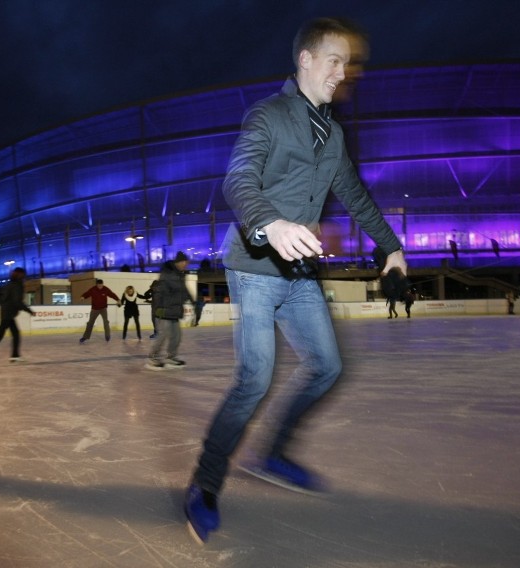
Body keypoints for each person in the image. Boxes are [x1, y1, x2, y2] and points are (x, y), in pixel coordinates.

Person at [184, 18, 407, 543]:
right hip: (256, 269)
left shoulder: (333, 135)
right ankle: (204, 485)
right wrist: (271, 224)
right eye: (334, 60)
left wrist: (392, 246)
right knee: (255, 379)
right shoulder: (268, 115)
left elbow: (354, 194)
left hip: (301, 273)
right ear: (305, 59)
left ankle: (274, 453)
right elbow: (238, 179)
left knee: (328, 366)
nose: (342, 72)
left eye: (348, 63)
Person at [146, 251, 194, 370]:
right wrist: (159, 309)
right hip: (164, 310)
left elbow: (183, 291)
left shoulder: (180, 275)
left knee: (176, 336)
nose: (186, 265)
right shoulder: (167, 274)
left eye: (186, 263)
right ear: (178, 262)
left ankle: (171, 357)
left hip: (174, 311)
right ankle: (153, 357)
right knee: (163, 335)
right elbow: (160, 292)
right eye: (184, 262)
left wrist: (192, 301)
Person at [79, 279, 120, 343]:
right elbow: (87, 293)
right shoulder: (93, 289)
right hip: (95, 309)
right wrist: (83, 297)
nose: (100, 287)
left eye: (101, 285)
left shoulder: (105, 289)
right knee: (90, 323)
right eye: (99, 286)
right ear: (97, 285)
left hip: (103, 309)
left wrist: (117, 299)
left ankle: (107, 336)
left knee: (106, 322)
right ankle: (85, 337)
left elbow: (112, 294)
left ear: (103, 284)